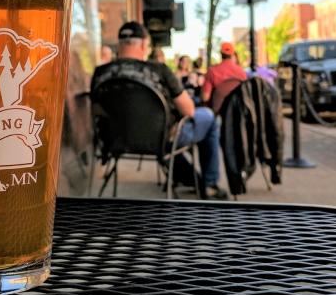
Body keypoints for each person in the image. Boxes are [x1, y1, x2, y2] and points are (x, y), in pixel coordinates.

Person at [91, 22, 227, 199]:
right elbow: (188, 111)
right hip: (161, 140)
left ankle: (188, 178)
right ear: (143, 45)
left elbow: (96, 110)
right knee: (209, 118)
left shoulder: (101, 73)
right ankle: (209, 184)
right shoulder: (159, 70)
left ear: (119, 44)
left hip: (117, 141)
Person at [202, 42, 249, 114]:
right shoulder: (241, 71)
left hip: (218, 113)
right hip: (238, 113)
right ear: (233, 54)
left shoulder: (212, 71)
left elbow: (205, 97)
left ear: (221, 54)